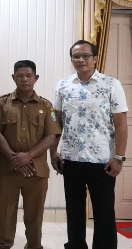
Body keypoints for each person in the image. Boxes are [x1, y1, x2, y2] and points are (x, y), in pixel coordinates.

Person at [51, 40, 128, 249]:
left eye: (86, 56)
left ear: (95, 58)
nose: (81, 60)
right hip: (70, 159)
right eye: (76, 56)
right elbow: (55, 123)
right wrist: (53, 152)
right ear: (72, 60)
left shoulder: (111, 84)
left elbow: (121, 125)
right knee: (74, 212)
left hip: (102, 161)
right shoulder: (63, 85)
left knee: (103, 212)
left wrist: (119, 157)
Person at [0, 60, 61, 249]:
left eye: (29, 76)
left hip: (36, 172)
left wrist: (28, 156)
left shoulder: (46, 106)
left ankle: (34, 246)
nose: (24, 79)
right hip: (8, 169)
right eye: (20, 76)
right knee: (4, 214)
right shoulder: (0, 103)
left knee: (34, 215)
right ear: (13, 77)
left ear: (36, 78)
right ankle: (2, 245)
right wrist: (14, 157)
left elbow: (51, 136)